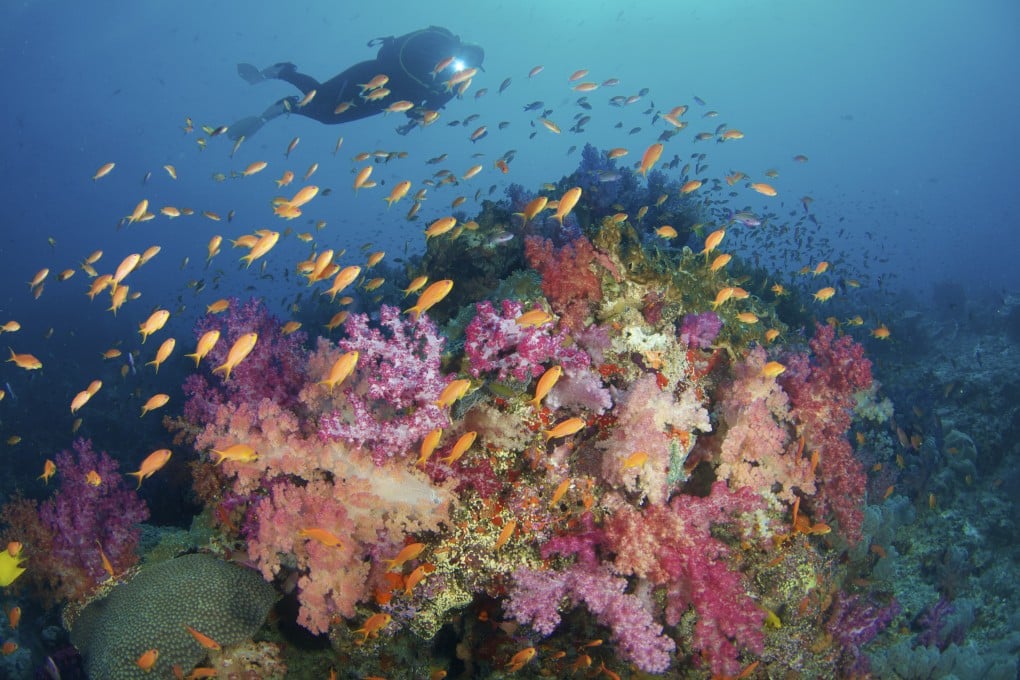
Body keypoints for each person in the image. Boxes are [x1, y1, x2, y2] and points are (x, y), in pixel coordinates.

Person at [229, 26, 484, 139]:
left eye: (469, 68)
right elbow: (399, 51)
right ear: (461, 48)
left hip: (387, 100)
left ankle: (288, 106)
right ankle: (282, 72)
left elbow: (432, 108)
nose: (462, 67)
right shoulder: (438, 43)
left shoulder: (454, 83)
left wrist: (415, 122)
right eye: (464, 60)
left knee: (330, 117)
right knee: (320, 95)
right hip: (371, 75)